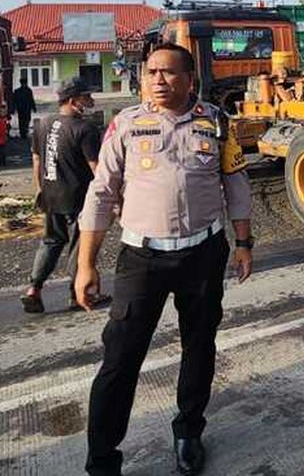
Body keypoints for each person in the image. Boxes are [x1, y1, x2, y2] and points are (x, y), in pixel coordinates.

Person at [76, 43, 254, 476]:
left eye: (169, 72)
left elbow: (235, 181)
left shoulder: (216, 121)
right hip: (142, 258)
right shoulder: (126, 124)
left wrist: (245, 242)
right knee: (120, 359)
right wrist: (86, 263)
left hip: (204, 253)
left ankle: (189, 431)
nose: (158, 80)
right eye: (151, 72)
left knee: (199, 345)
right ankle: (102, 460)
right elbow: (100, 194)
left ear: (190, 79)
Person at [20, 78, 108, 314]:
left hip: (50, 194)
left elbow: (37, 159)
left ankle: (33, 289)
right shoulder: (84, 129)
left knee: (51, 241)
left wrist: (39, 189)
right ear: (72, 100)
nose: (90, 101)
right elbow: (96, 167)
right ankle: (77, 293)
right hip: (78, 196)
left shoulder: (43, 124)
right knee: (80, 243)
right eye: (85, 97)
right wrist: (112, 197)